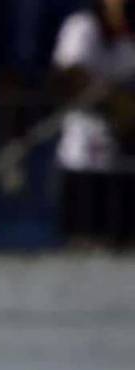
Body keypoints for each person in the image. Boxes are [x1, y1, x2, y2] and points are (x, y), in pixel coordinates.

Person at [52, 0, 135, 246]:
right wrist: (115, 101)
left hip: (123, 161)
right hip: (82, 158)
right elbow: (70, 76)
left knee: (120, 243)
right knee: (84, 239)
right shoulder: (82, 27)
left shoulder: (127, 39)